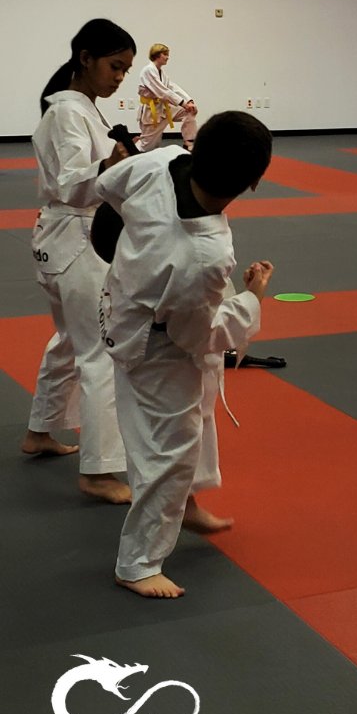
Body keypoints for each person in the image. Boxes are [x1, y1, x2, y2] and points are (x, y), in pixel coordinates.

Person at [98, 111, 274, 599]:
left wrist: (133, 251)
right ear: (254, 182)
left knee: (198, 413)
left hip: (128, 300)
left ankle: (184, 505)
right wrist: (252, 299)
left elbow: (108, 187)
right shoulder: (204, 253)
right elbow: (197, 337)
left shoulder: (163, 160)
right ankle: (138, 563)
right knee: (168, 451)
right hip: (154, 346)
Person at [22, 19, 135, 504]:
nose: (120, 77)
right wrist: (110, 165)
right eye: (115, 66)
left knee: (70, 339)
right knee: (101, 352)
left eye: (126, 70)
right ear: (85, 58)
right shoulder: (68, 112)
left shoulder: (78, 108)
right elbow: (72, 181)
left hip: (64, 238)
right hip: (77, 238)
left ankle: (41, 430)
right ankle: (100, 471)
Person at [137, 43, 198, 151]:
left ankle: (189, 142)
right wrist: (183, 103)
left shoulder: (161, 72)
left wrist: (189, 100)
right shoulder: (148, 71)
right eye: (165, 54)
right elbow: (163, 92)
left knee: (189, 111)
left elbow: (172, 87)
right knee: (147, 147)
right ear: (157, 55)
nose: (167, 57)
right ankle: (130, 148)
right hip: (152, 112)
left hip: (164, 108)